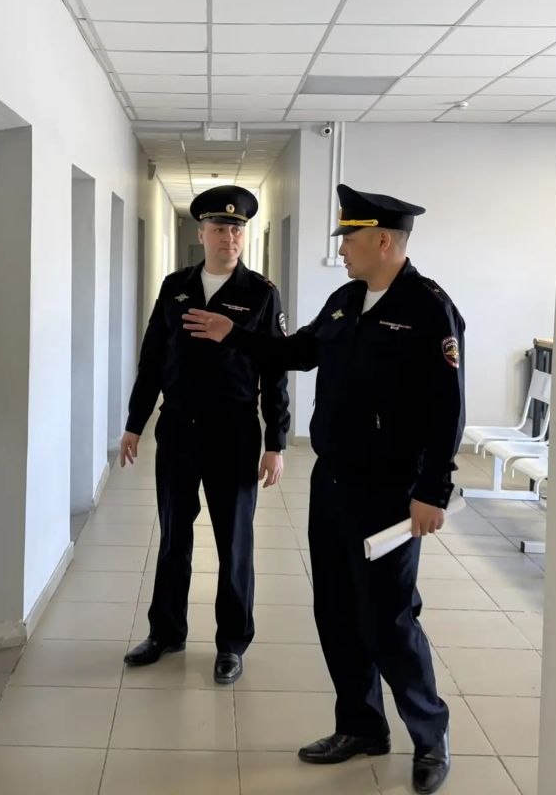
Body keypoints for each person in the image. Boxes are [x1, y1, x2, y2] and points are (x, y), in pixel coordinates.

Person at [182, 183, 464, 794]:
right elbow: (298, 351)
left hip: (390, 491)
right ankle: (360, 725)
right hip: (332, 480)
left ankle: (429, 736)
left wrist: (433, 491)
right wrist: (235, 334)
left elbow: (449, 410)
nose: (341, 250)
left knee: (389, 616)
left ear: (383, 241)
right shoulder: (345, 300)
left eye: (349, 240)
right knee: (335, 609)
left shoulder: (428, 308)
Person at [120, 185, 290, 685]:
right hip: (178, 428)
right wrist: (135, 423)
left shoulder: (260, 293)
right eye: (219, 228)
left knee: (234, 540)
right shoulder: (175, 286)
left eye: (236, 229)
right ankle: (166, 631)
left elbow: (275, 371)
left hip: (234, 431)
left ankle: (231, 643)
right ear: (202, 234)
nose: (228, 237)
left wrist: (276, 442)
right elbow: (153, 358)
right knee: (174, 535)